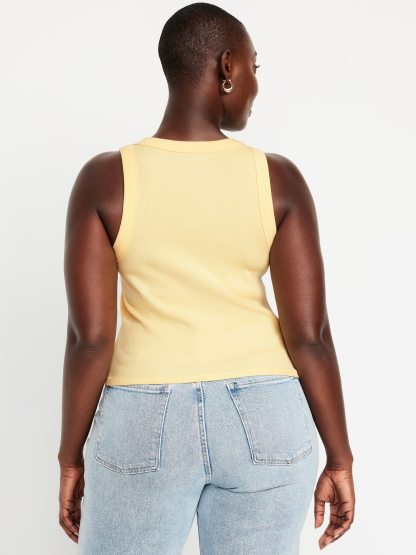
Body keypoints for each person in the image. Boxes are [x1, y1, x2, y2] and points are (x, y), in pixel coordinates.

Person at [57, 3, 355, 554]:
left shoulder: (105, 180)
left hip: (144, 417)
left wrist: (69, 456)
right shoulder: (277, 178)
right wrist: (340, 457)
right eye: (254, 68)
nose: (256, 86)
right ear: (227, 66)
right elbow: (310, 336)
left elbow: (91, 340)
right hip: (266, 416)